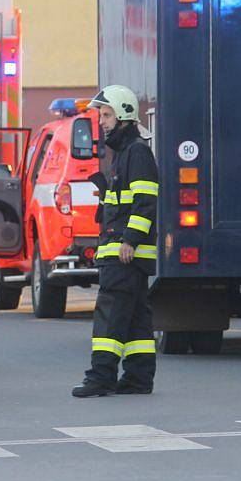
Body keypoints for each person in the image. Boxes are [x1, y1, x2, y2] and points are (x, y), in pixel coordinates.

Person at [72, 85, 159, 398]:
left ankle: (101, 377)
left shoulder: (136, 152)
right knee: (136, 318)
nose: (102, 121)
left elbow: (146, 201)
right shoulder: (125, 153)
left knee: (109, 315)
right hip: (127, 253)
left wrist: (130, 240)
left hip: (124, 253)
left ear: (124, 115)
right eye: (101, 115)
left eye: (107, 115)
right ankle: (138, 378)